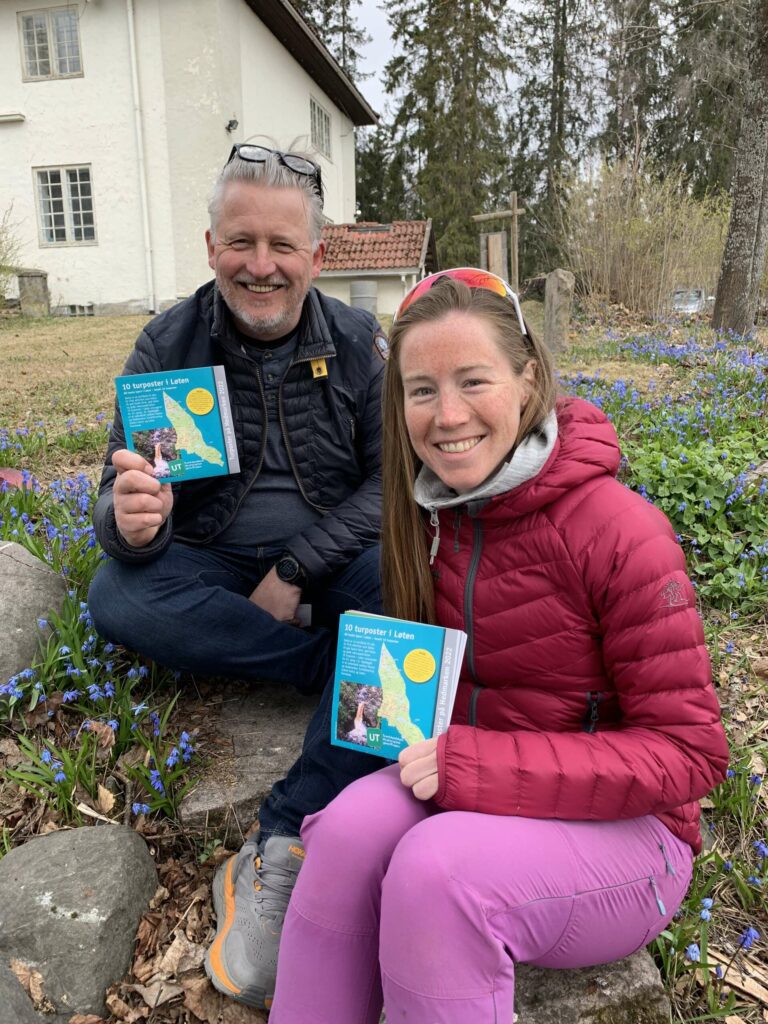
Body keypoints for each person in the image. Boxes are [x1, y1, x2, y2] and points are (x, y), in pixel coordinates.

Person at [268, 268, 730, 1024]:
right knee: (348, 829)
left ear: (528, 379)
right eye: (421, 390)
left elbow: (690, 755)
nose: (447, 416)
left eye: (473, 380)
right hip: (485, 796)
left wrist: (476, 765)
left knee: (436, 873)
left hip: (634, 840)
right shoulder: (428, 516)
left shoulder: (621, 534)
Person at [87, 144, 388, 1010]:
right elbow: (124, 493)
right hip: (209, 555)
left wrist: (298, 567)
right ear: (210, 242)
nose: (262, 266)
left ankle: (283, 835)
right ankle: (329, 667)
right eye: (242, 242)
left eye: (283, 246)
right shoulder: (169, 341)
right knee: (118, 593)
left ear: (317, 257)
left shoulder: (362, 342)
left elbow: (387, 489)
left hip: (328, 559)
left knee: (402, 586)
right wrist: (131, 522)